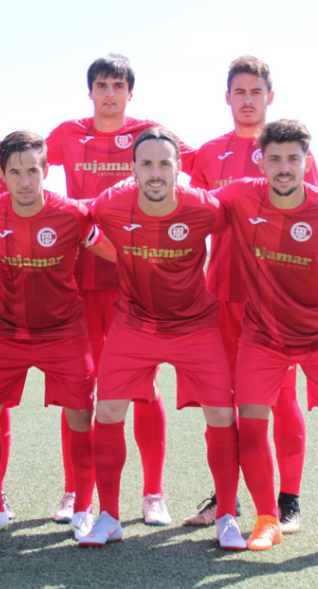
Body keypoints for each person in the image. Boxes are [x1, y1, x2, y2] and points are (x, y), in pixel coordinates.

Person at [213, 119, 318, 557]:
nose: (283, 167)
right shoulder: (240, 195)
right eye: (275, 159)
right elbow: (190, 207)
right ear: (260, 161)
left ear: (307, 161)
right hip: (263, 334)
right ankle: (268, 519)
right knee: (251, 423)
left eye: (292, 158)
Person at [45, 54, 196, 525]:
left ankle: (153, 493)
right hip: (82, 278)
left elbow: (196, 170)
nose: (109, 93)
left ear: (131, 92)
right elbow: (22, 166)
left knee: (144, 389)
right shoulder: (66, 133)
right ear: (89, 91)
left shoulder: (152, 132)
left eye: (118, 85)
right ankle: (75, 492)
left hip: (138, 278)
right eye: (101, 85)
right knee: (80, 389)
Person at [79, 127, 243, 550]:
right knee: (109, 410)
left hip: (195, 326)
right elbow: (76, 221)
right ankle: (110, 516)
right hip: (134, 324)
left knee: (224, 416)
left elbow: (247, 219)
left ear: (178, 169)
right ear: (132, 169)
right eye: (146, 164)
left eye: (164, 164)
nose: (156, 172)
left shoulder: (205, 208)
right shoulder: (111, 204)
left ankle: (227, 515)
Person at [186, 56, 318, 530]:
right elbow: (190, 218)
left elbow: (311, 223)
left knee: (280, 400)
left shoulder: (291, 151)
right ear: (227, 97)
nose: (247, 100)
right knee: (221, 402)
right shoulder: (206, 153)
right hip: (221, 291)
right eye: (239, 91)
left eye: (255, 92)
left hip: (273, 302)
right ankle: (226, 499)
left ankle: (288, 500)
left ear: (269, 97)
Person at [0, 131, 113, 539]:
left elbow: (116, 253)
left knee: (82, 416)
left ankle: (83, 508)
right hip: (6, 330)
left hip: (64, 331)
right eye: (15, 172)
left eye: (33, 171)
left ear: (46, 171)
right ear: (2, 176)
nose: (25, 181)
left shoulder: (73, 214)